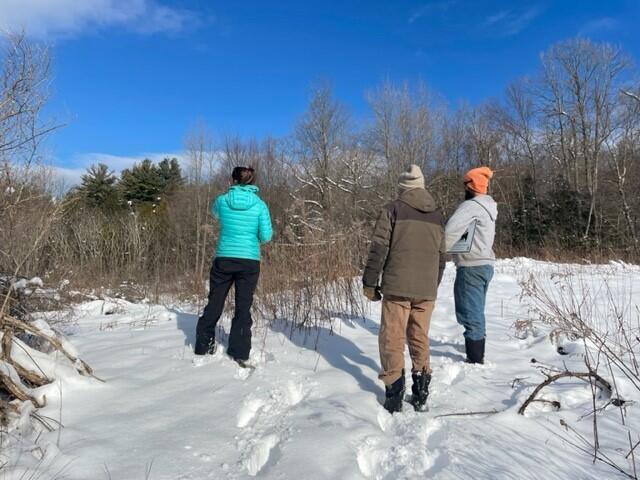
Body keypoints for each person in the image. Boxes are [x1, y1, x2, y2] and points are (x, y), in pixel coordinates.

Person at [362, 164, 446, 413]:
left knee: (392, 338)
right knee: (419, 337)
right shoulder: (438, 216)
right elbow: (442, 257)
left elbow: (379, 248)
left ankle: (394, 396)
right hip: (426, 289)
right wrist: (433, 284)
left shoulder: (392, 210)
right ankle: (421, 395)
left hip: (397, 286)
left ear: (402, 187)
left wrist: (369, 282)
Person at [194, 166, 273, 368]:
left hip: (224, 258)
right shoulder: (260, 205)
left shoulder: (222, 201)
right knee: (243, 306)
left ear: (233, 179)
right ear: (252, 180)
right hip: (249, 260)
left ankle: (204, 345)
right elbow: (266, 237)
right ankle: (239, 352)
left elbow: (214, 214)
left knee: (215, 301)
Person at [445, 166, 497, 365]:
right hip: (485, 265)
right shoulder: (489, 206)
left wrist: (439, 249)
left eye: (465, 184)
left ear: (470, 186)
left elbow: (450, 231)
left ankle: (475, 359)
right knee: (475, 309)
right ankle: (477, 348)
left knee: (469, 312)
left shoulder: (471, 206)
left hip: (471, 266)